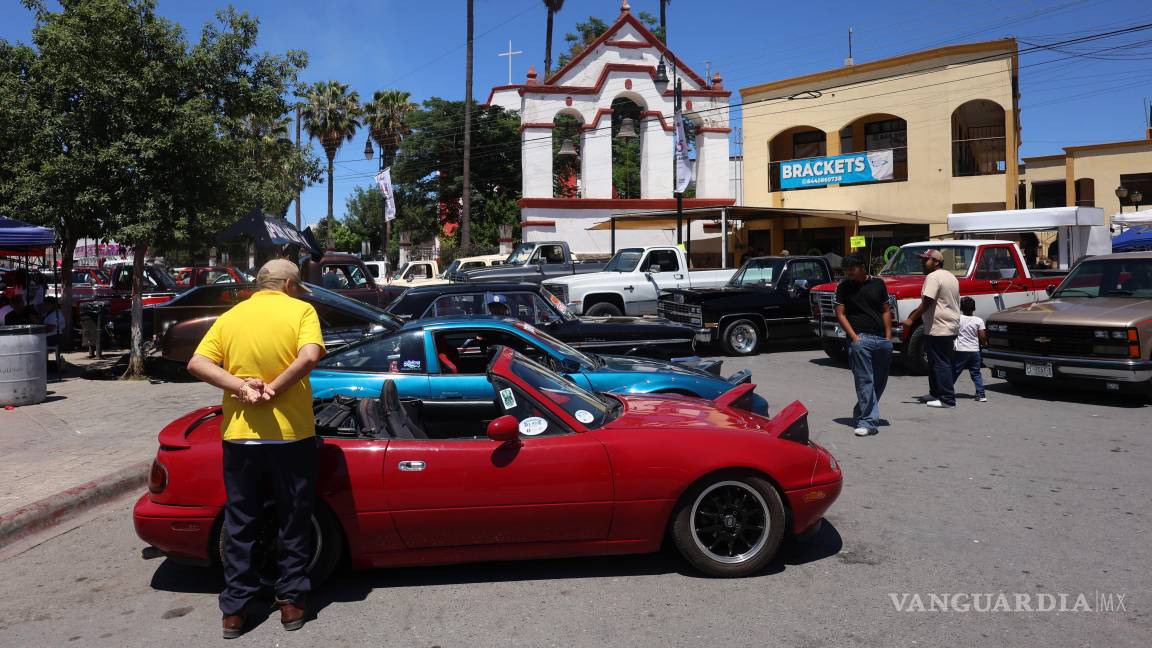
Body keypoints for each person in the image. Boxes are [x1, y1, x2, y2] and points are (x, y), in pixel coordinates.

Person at [186, 259, 325, 639]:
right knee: (292, 519)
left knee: (241, 522)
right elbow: (310, 356)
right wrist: (275, 388)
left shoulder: (232, 317)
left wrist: (241, 387)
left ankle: (235, 610)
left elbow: (197, 362)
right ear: (290, 285)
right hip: (291, 435)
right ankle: (291, 602)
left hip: (240, 435)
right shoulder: (301, 310)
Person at [834, 254, 893, 437]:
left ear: (862, 266)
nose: (849, 272)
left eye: (852, 268)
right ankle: (868, 422)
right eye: (846, 269)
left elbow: (885, 310)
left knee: (879, 381)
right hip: (860, 339)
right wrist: (854, 338)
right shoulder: (844, 287)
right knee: (864, 380)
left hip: (882, 340)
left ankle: (862, 409)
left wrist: (888, 337)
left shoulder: (878, 284)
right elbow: (840, 313)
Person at [903, 249, 961, 408]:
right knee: (935, 361)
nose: (922, 262)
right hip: (947, 325)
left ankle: (947, 399)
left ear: (936, 261)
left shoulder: (933, 277)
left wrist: (910, 319)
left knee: (941, 362)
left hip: (939, 326)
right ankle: (935, 393)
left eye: (926, 260)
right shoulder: (950, 276)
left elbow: (927, 301)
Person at [952, 297, 987, 402]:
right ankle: (981, 394)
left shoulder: (958, 319)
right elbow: (982, 336)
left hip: (961, 350)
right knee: (976, 373)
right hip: (974, 351)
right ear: (974, 308)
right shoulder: (978, 320)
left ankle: (946, 391)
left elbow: (952, 332)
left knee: (954, 372)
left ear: (961, 308)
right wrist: (984, 344)